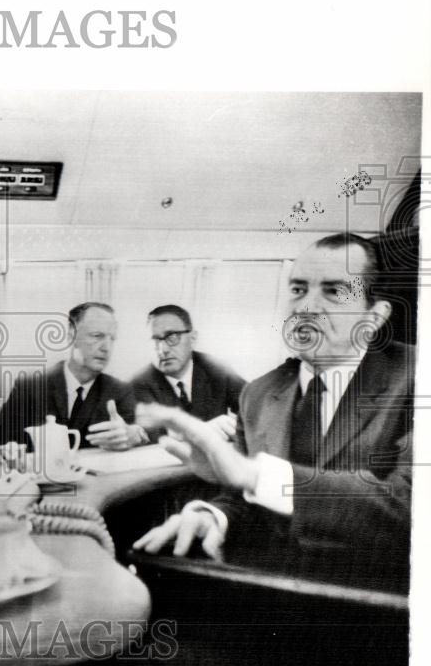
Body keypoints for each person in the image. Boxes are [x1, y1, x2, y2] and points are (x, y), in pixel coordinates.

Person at [133, 233, 412, 588]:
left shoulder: (418, 377)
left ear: (375, 315)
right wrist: (213, 516)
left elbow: (409, 508)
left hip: (377, 601)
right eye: (298, 290)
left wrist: (254, 475)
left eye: (333, 291)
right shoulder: (258, 393)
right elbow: (245, 498)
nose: (305, 307)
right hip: (274, 593)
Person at [0, 302, 146, 451]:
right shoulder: (30, 385)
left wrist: (136, 435)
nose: (107, 347)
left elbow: (144, 433)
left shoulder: (119, 390)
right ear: (71, 336)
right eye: (97, 336)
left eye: (112, 338)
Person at [130, 304, 246, 439]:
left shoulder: (215, 369)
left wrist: (237, 425)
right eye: (155, 340)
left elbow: (257, 405)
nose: (163, 350)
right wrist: (202, 431)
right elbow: (146, 431)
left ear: (193, 339)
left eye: (172, 337)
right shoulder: (139, 382)